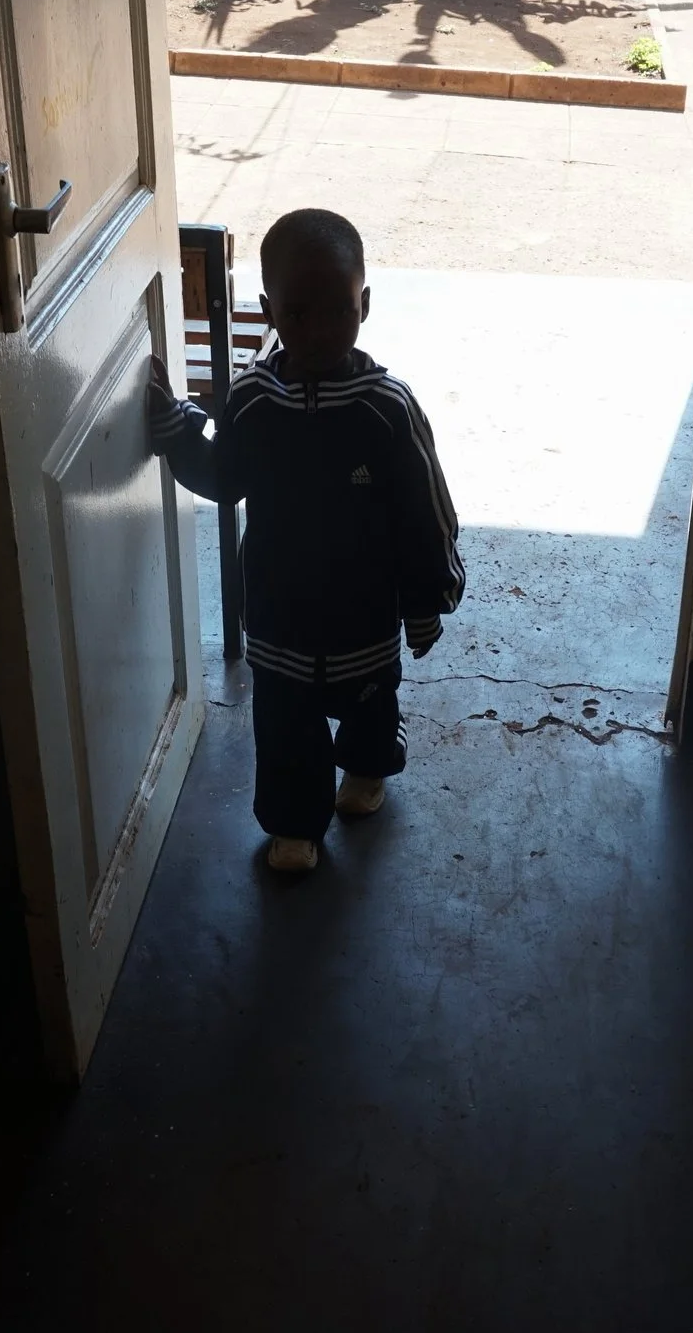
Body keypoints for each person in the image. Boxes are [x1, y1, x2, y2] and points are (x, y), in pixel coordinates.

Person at [148, 208, 464, 874]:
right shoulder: (252, 404)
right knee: (285, 727)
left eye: (338, 311)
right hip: (278, 618)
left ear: (366, 304)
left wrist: (428, 595)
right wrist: (178, 432)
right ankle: (295, 824)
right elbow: (225, 479)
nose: (319, 332)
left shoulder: (388, 409)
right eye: (297, 314)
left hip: (366, 620)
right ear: (269, 311)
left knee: (370, 708)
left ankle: (369, 769)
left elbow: (423, 510)